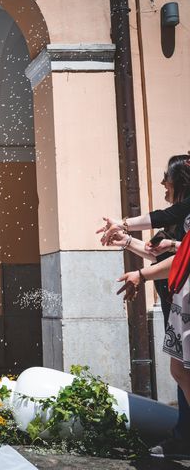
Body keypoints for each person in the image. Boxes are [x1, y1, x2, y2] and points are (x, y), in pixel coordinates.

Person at [101, 155, 190, 459]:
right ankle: (184, 434)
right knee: (181, 370)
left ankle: (184, 437)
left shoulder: (182, 213)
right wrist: (126, 240)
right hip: (176, 303)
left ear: (180, 181)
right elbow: (159, 256)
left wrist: (139, 273)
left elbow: (162, 219)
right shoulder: (179, 220)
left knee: (183, 371)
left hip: (185, 303)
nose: (163, 183)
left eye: (167, 177)